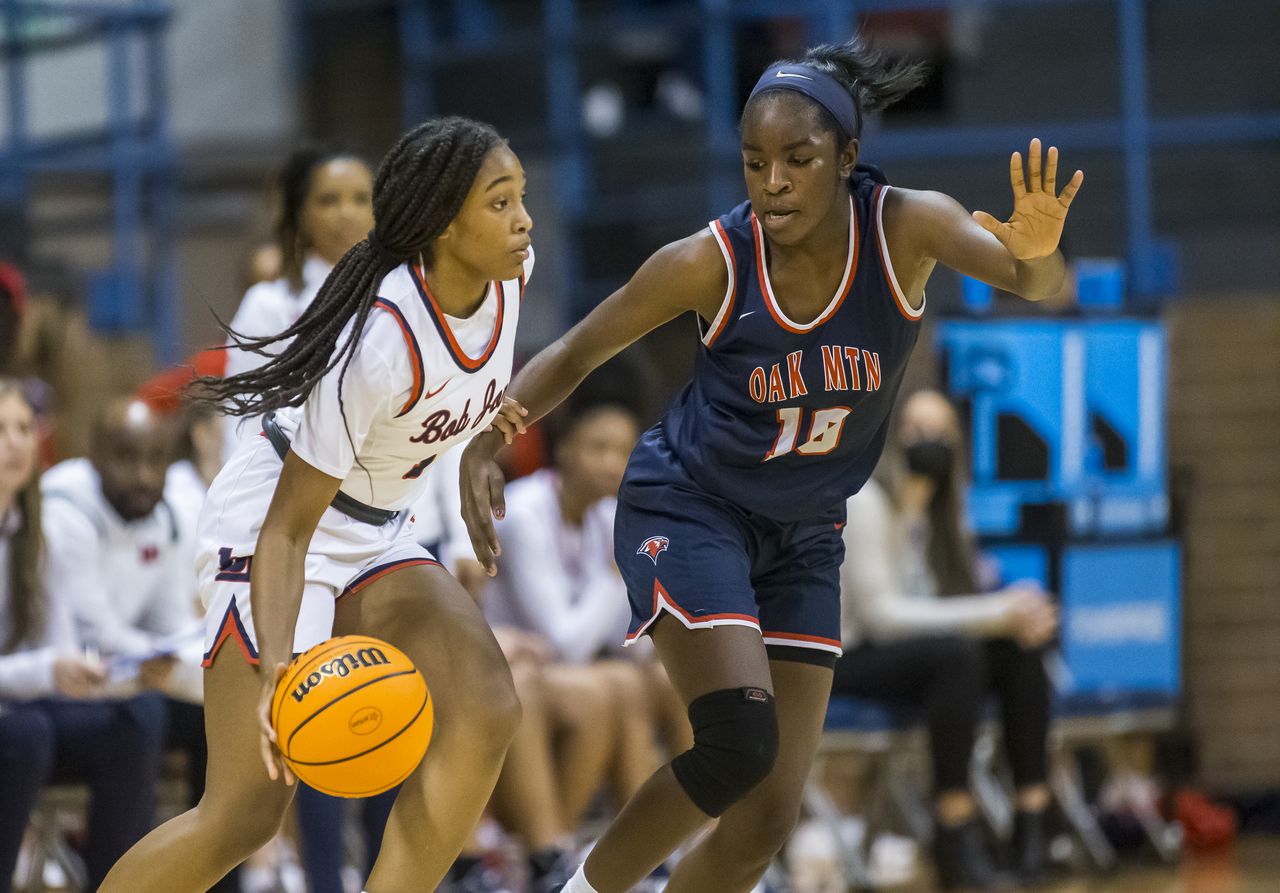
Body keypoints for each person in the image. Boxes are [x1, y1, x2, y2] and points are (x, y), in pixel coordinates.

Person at [461, 36, 1084, 893]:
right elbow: (575, 349)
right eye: (756, 162)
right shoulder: (711, 260)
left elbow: (1035, 281)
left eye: (799, 158)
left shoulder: (908, 226)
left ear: (848, 158)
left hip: (803, 530)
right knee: (737, 741)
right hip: (690, 509)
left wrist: (1041, 249)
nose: (775, 181)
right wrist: (487, 440)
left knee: (763, 820)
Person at [98, 115, 533, 893]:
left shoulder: (510, 279)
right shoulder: (378, 342)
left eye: (520, 196)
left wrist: (480, 448)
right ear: (442, 222)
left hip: (377, 526)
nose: (524, 220)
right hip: (273, 522)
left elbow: (489, 387)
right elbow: (289, 528)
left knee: (486, 703)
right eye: (500, 203)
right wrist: (276, 667)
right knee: (246, 811)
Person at [832, 389, 1057, 888]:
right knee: (957, 656)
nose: (926, 443)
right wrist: (998, 611)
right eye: (915, 430)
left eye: (940, 433)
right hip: (847, 654)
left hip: (919, 656)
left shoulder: (950, 511)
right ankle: (952, 829)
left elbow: (948, 605)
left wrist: (1011, 619)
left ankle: (1032, 823)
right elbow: (882, 619)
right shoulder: (866, 500)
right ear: (892, 436)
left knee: (1019, 648)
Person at [0, 379, 167, 892]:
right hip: (17, 717)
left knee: (134, 721)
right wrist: (48, 670)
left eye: (24, 428)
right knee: (26, 736)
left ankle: (117, 885)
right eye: (0, 430)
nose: (15, 443)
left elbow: (59, 647)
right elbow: (44, 667)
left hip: (24, 706)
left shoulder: (43, 527)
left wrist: (102, 674)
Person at [222, 146, 375, 461]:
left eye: (361, 199)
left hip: (396, 494)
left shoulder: (405, 294)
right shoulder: (268, 304)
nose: (346, 212)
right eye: (328, 200)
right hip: (292, 485)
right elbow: (243, 417)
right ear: (300, 213)